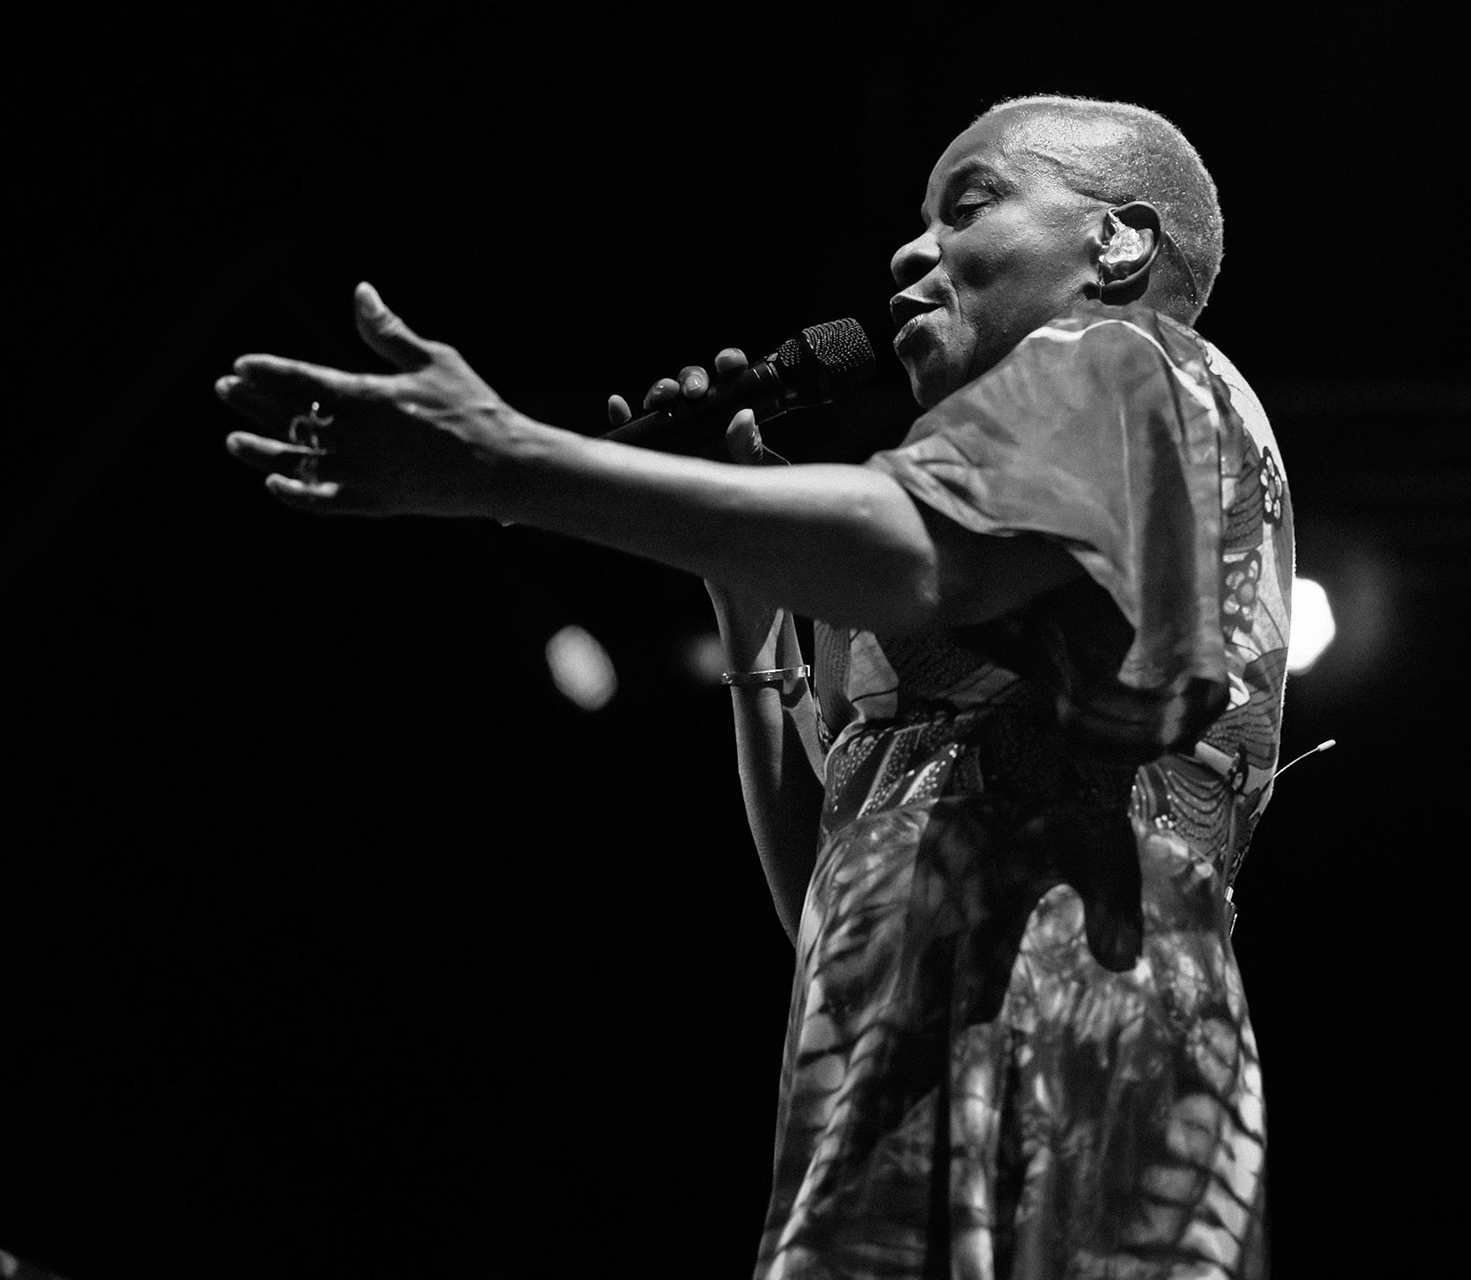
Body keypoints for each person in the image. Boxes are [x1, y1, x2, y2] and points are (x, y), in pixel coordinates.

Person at [220, 94, 1293, 1279]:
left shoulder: (1132, 362)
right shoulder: (1022, 519)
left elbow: (914, 548)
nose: (911, 250)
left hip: (1071, 1053)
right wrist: (745, 612)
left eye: (972, 203)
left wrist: (512, 459)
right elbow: (829, 902)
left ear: (1119, 243)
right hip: (890, 1077)